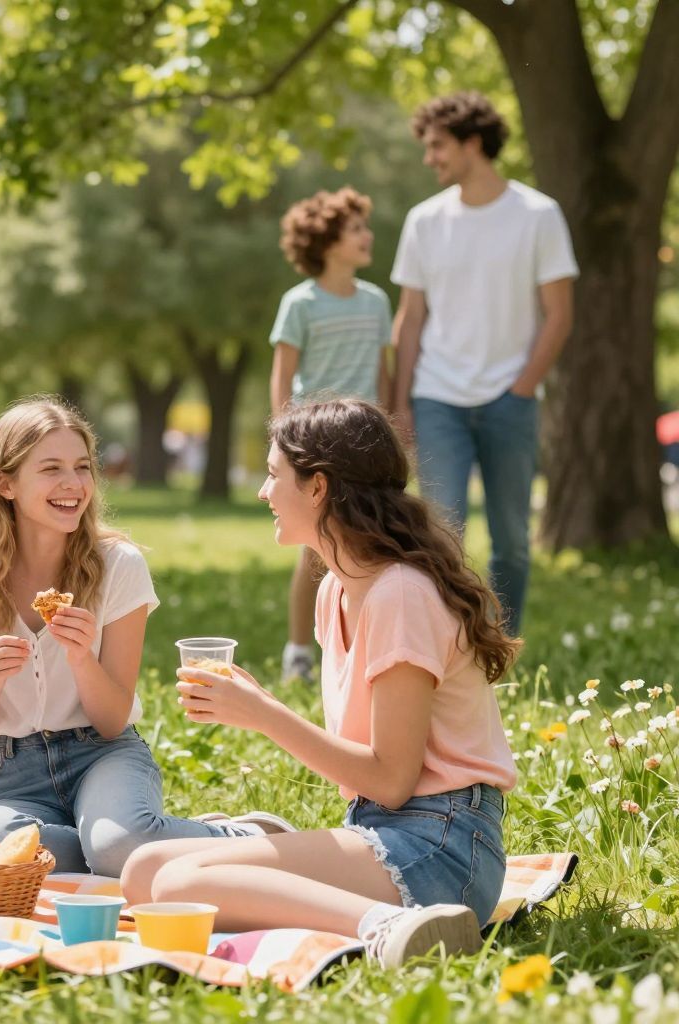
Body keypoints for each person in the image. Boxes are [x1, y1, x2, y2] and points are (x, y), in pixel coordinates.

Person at [121, 399, 519, 967]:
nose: (262, 492)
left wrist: (263, 712)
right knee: (143, 873)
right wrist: (259, 705)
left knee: (179, 885)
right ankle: (262, 843)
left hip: (444, 847)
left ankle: (391, 928)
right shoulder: (337, 589)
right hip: (379, 827)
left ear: (318, 488)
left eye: (273, 474)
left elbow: (392, 779)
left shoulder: (398, 594)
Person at [0, 398, 283, 877]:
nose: (73, 485)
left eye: (82, 467)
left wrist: (80, 658)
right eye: (51, 469)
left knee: (116, 847)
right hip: (12, 772)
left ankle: (246, 837)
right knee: (4, 856)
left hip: (104, 753)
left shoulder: (119, 566)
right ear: (6, 483)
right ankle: (140, 837)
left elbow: (114, 720)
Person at [391, 92, 578, 636]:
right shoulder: (424, 221)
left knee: (513, 539)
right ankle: (452, 644)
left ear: (473, 143)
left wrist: (522, 388)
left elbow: (559, 314)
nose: (430, 159)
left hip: (509, 400)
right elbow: (410, 318)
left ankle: (501, 644)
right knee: (443, 536)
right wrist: (401, 401)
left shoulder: (538, 214)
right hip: (438, 398)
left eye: (437, 147)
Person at [269, 187, 393, 682]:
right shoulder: (299, 304)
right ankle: (300, 650)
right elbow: (282, 375)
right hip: (315, 439)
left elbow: (384, 374)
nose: (368, 236)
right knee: (315, 547)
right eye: (356, 228)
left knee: (368, 538)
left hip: (362, 438)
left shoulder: (377, 301)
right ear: (326, 240)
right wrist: (283, 439)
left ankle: (365, 639)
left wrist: (392, 424)